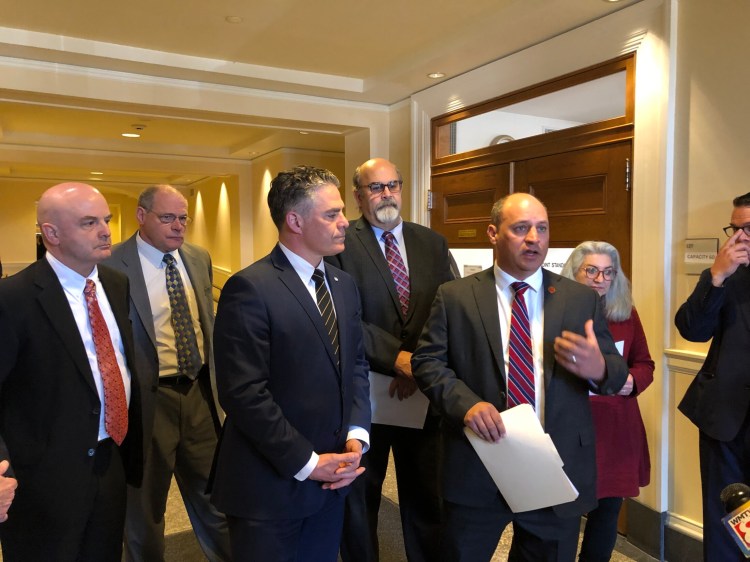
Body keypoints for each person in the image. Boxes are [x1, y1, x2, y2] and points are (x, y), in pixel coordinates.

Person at [412, 193, 628, 561]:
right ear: (493, 233)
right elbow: (428, 362)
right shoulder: (456, 296)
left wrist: (602, 369)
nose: (534, 238)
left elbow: (615, 372)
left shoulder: (578, 299)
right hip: (479, 460)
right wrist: (466, 406)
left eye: (542, 229)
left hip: (553, 466)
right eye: (522, 228)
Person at [210, 166, 371, 561]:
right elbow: (244, 393)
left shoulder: (342, 285)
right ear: (295, 220)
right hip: (270, 486)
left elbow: (355, 367)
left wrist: (357, 434)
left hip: (333, 479)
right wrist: (308, 462)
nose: (344, 222)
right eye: (331, 214)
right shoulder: (250, 287)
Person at [0, 182, 143, 560]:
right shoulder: (13, 298)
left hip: (110, 459)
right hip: (42, 478)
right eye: (89, 222)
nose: (105, 230)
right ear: (52, 233)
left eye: (106, 220)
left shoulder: (115, 284)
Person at [327, 158, 453, 562]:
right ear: (358, 195)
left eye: (392, 185)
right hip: (367, 395)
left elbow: (447, 308)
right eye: (375, 187)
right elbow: (341, 315)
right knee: (361, 497)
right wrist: (395, 358)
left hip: (423, 391)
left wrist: (420, 363)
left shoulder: (431, 242)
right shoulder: (340, 243)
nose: (386, 194)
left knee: (427, 496)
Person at [104, 185, 230, 561]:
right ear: (142, 216)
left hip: (199, 395)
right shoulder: (110, 264)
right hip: (146, 401)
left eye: (183, 218)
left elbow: (206, 323)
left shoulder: (197, 257)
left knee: (217, 502)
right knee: (144, 514)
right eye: (167, 218)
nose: (178, 226)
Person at [561, 241, 654, 562]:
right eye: (591, 270)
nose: (600, 278)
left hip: (617, 429)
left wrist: (632, 381)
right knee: (565, 515)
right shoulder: (554, 313)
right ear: (574, 273)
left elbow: (645, 364)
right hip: (571, 429)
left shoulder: (626, 315)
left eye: (608, 272)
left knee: (606, 515)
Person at [675, 192, 750, 562]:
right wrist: (716, 276)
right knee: (727, 523)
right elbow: (692, 330)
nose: (738, 238)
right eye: (734, 229)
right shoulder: (726, 273)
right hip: (725, 422)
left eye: (747, 229)